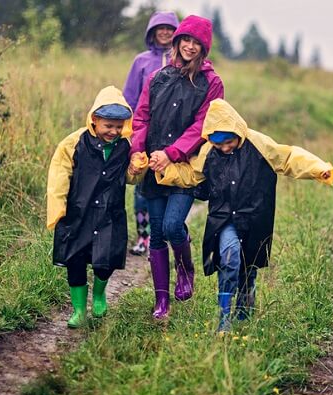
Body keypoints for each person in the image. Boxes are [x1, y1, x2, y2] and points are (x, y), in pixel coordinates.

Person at [154, 99, 333, 332]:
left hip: (254, 217)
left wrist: (319, 169)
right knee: (229, 259)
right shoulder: (210, 150)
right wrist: (165, 171)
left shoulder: (259, 143)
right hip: (224, 218)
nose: (225, 148)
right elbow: (191, 174)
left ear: (238, 132)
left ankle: (245, 300)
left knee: (249, 264)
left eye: (229, 142)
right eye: (219, 145)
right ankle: (224, 318)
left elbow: (289, 158)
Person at [128, 15, 224, 319]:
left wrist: (172, 153)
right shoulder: (158, 76)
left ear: (204, 47)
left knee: (172, 226)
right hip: (154, 168)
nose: (190, 47)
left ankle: (186, 271)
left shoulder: (211, 83)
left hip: (183, 169)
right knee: (157, 234)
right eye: (186, 40)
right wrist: (137, 151)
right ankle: (162, 301)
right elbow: (141, 117)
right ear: (177, 40)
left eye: (197, 43)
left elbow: (203, 125)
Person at [47, 86, 147, 328]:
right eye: (108, 126)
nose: (113, 131)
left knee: (107, 260)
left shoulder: (126, 146)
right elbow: (59, 174)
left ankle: (100, 294)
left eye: (118, 126)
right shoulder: (74, 143)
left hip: (109, 214)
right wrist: (57, 208)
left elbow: (130, 179)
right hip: (78, 212)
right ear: (94, 119)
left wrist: (137, 168)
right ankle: (79, 310)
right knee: (76, 261)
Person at [123, 11, 179, 256]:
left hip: (173, 136)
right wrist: (130, 131)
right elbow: (130, 97)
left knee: (171, 182)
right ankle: (143, 236)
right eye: (160, 28)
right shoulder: (141, 61)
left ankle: (166, 231)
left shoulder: (183, 61)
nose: (165, 32)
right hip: (144, 132)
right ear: (152, 31)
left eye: (170, 28)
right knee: (141, 185)